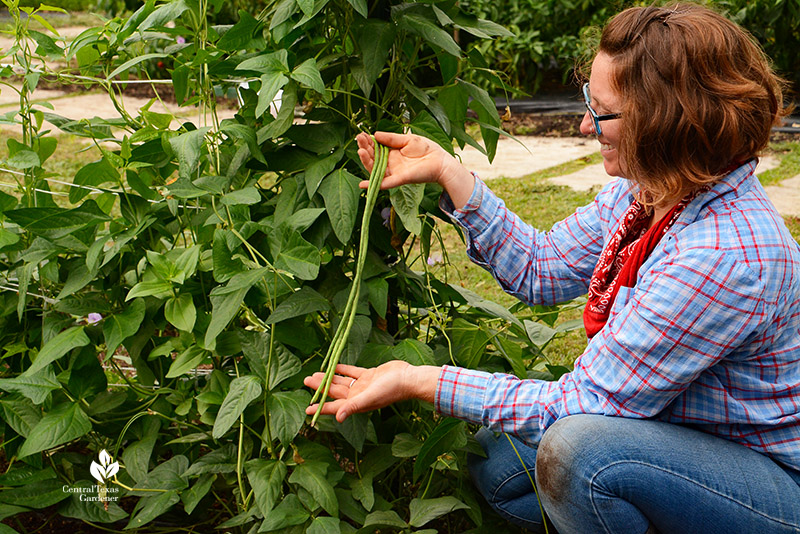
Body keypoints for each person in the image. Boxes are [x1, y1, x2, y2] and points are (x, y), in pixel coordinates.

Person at [305, 3, 800, 533]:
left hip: (765, 481)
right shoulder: (651, 194)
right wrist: (450, 173)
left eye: (603, 111)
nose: (586, 123)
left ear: (667, 123)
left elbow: (581, 403)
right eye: (589, 99)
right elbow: (543, 267)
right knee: (498, 460)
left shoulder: (722, 259)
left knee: (580, 454)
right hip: (681, 436)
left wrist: (420, 379)